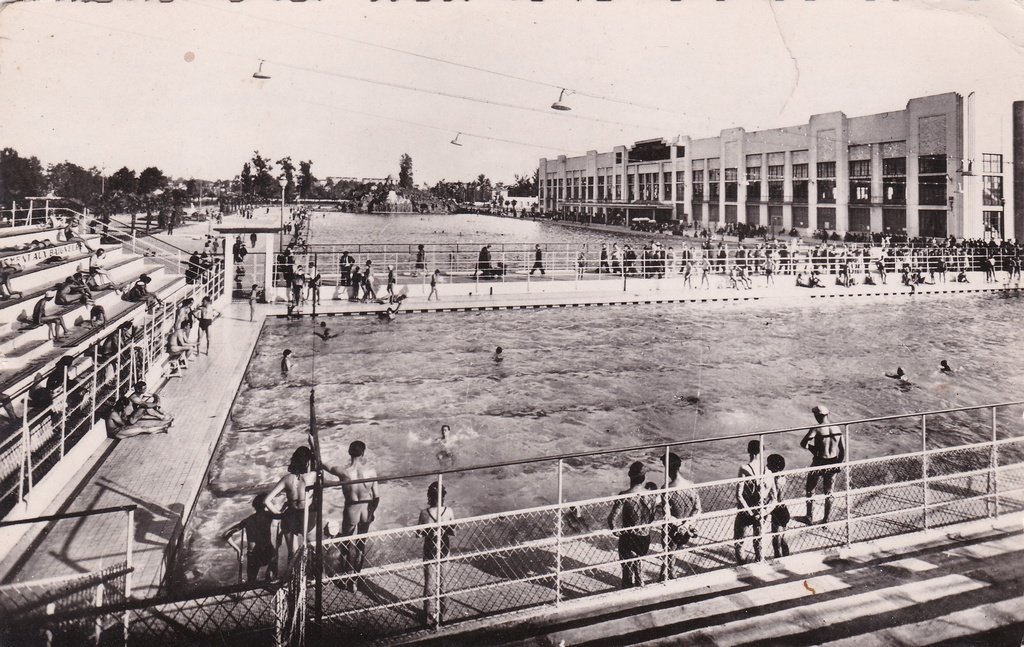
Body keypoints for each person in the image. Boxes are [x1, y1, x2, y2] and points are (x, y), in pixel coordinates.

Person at [326, 441, 381, 592]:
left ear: (349, 453)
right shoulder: (371, 472)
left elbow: (325, 465)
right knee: (360, 545)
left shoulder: (344, 472)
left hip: (351, 509)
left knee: (345, 544)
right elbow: (376, 497)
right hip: (366, 509)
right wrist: (372, 512)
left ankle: (344, 578)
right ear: (363, 453)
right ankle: (355, 581)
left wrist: (313, 447)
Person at [265, 446, 318, 568]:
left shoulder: (286, 479)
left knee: (293, 554)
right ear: (307, 462)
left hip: (290, 516)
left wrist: (279, 514)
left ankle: (293, 581)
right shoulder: (312, 476)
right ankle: (315, 576)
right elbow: (319, 464)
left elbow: (267, 500)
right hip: (307, 516)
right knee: (314, 548)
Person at [606, 461, 656, 588]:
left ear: (629, 475)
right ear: (644, 478)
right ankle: (640, 583)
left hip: (629, 538)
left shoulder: (624, 496)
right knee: (637, 560)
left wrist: (616, 531)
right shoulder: (651, 495)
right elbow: (652, 517)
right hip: (644, 538)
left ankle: (628, 587)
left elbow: (612, 519)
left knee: (627, 569)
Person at [417, 481, 455, 627]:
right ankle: (443, 612)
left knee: (429, 582)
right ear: (444, 496)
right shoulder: (449, 511)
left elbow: (419, 534)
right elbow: (454, 531)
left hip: (430, 548)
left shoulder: (424, 513)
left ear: (429, 496)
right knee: (443, 580)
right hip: (444, 548)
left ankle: (427, 614)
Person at [799, 405, 845, 525]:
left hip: (819, 461)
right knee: (829, 493)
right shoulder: (837, 428)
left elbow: (803, 444)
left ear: (817, 415)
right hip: (833, 461)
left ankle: (809, 517)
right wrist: (838, 464)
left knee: (810, 489)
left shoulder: (816, 428)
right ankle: (826, 519)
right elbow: (843, 451)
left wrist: (814, 450)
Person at [660, 453, 701, 580]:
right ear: (679, 467)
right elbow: (698, 509)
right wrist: (686, 525)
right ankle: (663, 574)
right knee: (671, 556)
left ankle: (667, 577)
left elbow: (666, 515)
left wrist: (679, 525)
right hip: (686, 530)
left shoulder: (666, 488)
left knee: (669, 556)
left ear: (668, 469)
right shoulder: (690, 484)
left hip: (672, 530)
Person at [734, 439, 773, 564]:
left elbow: (739, 495)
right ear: (763, 451)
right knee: (759, 538)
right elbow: (774, 497)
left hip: (747, 509)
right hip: (762, 510)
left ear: (748, 451)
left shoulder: (744, 468)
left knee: (739, 538)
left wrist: (750, 512)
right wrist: (763, 512)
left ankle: (742, 562)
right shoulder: (768, 471)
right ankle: (759, 560)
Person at [106, 396, 172, 438]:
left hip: (120, 430)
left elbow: (124, 420)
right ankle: (164, 426)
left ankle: (162, 430)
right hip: (116, 433)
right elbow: (123, 423)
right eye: (123, 407)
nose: (123, 408)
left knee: (142, 430)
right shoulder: (113, 413)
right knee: (142, 429)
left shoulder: (118, 410)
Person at [765, 454, 790, 558]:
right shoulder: (783, 477)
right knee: (782, 536)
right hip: (783, 509)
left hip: (777, 510)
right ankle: (784, 555)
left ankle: (778, 556)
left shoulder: (774, 479)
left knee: (776, 538)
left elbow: (775, 497)